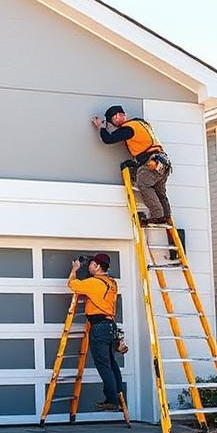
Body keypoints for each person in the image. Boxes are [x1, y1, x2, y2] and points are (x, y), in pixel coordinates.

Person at [91, 105, 172, 225]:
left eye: (111, 121)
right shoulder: (140, 123)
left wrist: (101, 126)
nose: (113, 125)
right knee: (159, 190)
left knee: (144, 184)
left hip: (151, 161)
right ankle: (166, 216)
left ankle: (158, 216)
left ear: (117, 116)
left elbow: (108, 139)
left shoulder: (128, 129)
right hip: (162, 162)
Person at [67, 253, 123, 411]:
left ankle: (112, 400)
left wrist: (75, 269)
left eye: (92, 264)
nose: (90, 266)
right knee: (111, 364)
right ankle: (118, 396)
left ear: (98, 266)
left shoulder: (94, 283)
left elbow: (72, 284)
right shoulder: (111, 282)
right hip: (110, 326)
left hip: (99, 327)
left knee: (103, 365)